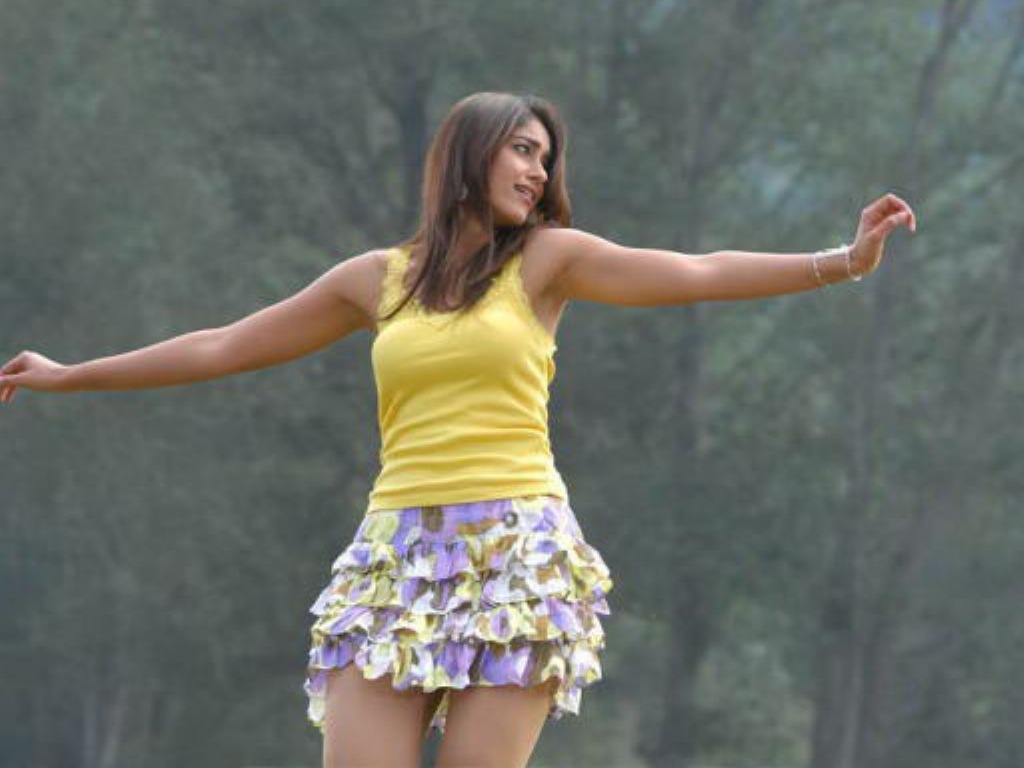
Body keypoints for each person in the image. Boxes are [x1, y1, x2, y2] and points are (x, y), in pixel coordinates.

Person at [0, 90, 916, 768]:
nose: (538, 172)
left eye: (546, 159)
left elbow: (696, 270)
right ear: (468, 154)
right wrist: (71, 374)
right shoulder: (376, 279)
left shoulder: (547, 262)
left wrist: (843, 260)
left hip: (517, 552)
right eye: (522, 149)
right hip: (392, 559)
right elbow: (221, 346)